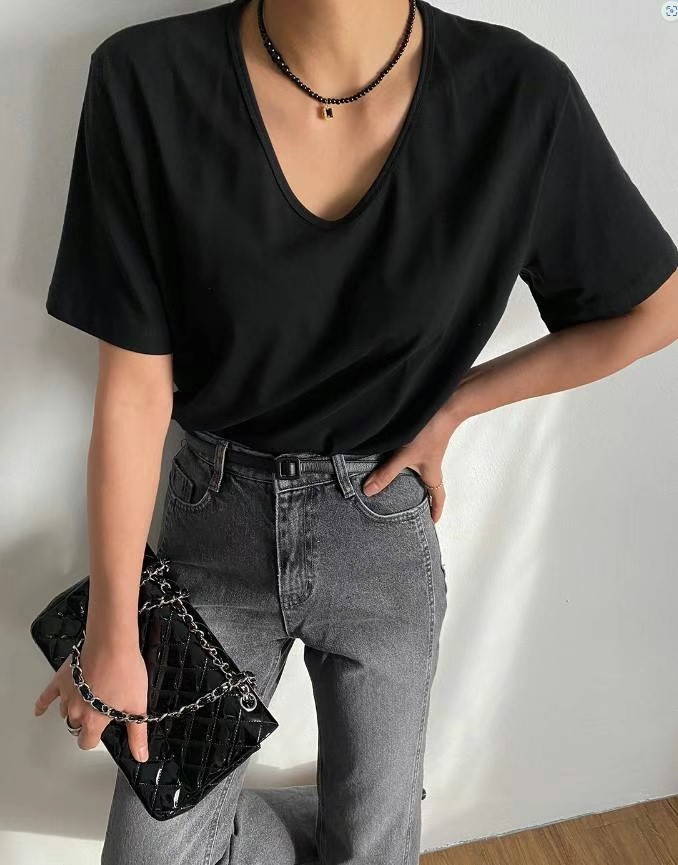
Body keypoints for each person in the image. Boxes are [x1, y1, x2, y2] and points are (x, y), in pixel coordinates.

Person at [33, 0, 678, 863]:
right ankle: (350, 809)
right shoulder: (146, 78)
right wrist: (113, 632)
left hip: (380, 526)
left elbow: (653, 307)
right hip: (214, 518)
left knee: (372, 848)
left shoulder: (520, 97)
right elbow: (134, 390)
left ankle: (368, 814)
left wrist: (455, 404)